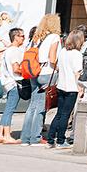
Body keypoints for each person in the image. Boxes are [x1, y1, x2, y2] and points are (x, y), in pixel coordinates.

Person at [21, 14, 61, 145]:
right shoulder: (54, 37)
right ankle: (35, 137)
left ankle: (25, 138)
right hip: (47, 72)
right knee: (41, 107)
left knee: (32, 106)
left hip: (35, 72)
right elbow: (52, 58)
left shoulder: (36, 38)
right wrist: (59, 69)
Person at [46, 30, 84, 148]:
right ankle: (61, 140)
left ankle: (51, 139)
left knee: (59, 113)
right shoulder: (77, 54)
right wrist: (80, 88)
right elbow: (77, 72)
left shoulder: (63, 51)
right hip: (71, 87)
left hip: (61, 85)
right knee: (65, 115)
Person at [0, 27, 26, 144]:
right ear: (16, 37)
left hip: (7, 82)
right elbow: (16, 68)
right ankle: (7, 136)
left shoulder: (8, 50)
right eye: (22, 36)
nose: (24, 38)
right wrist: (27, 73)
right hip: (14, 82)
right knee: (10, 109)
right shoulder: (15, 51)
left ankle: (1, 134)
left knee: (7, 108)